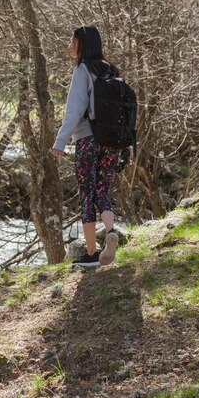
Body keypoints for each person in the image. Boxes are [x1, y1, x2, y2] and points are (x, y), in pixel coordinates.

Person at [52, 25, 130, 268]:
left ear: (82, 44)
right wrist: (127, 143)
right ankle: (111, 229)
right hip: (111, 141)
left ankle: (91, 253)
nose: (69, 45)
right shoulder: (111, 69)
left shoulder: (82, 70)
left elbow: (74, 110)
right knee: (102, 192)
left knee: (87, 194)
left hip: (87, 140)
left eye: (72, 40)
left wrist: (60, 141)